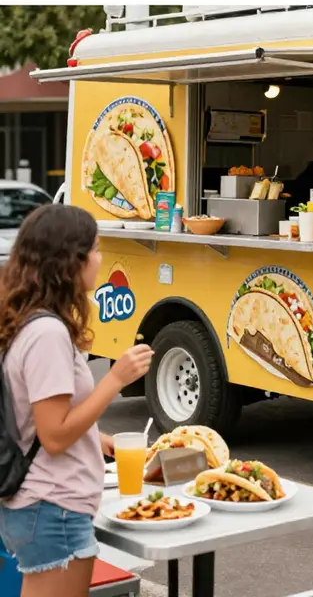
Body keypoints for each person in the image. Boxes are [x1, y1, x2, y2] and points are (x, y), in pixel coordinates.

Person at [0, 204, 154, 597]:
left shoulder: (29, 321)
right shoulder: (47, 333)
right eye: (96, 249)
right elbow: (53, 435)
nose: (100, 258)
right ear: (71, 260)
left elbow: (36, 419)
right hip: (54, 508)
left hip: (44, 508)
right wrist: (116, 379)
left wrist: (95, 440)